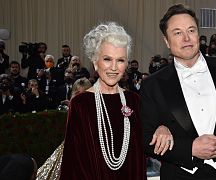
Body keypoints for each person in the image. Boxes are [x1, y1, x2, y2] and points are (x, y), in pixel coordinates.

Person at [140, 4, 216, 180]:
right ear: (166, 40)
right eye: (177, 33)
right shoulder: (152, 84)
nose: (186, 38)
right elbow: (146, 141)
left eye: (191, 30)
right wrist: (190, 149)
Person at [60, 22, 172, 180]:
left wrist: (162, 127)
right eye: (107, 59)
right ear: (95, 62)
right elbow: (71, 161)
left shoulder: (134, 100)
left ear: (126, 64)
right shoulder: (81, 104)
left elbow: (149, 142)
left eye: (120, 60)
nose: (114, 67)